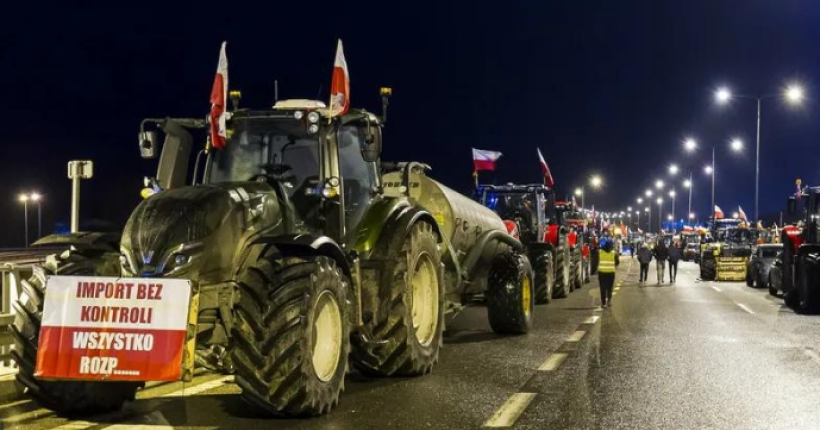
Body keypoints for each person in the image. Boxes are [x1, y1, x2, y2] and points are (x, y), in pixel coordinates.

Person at [597, 237, 620, 307]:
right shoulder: (614, 253)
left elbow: (596, 261)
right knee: (609, 288)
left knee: (602, 288)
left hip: (601, 273)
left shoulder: (600, 252)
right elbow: (617, 262)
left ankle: (603, 303)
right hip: (611, 273)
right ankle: (609, 301)